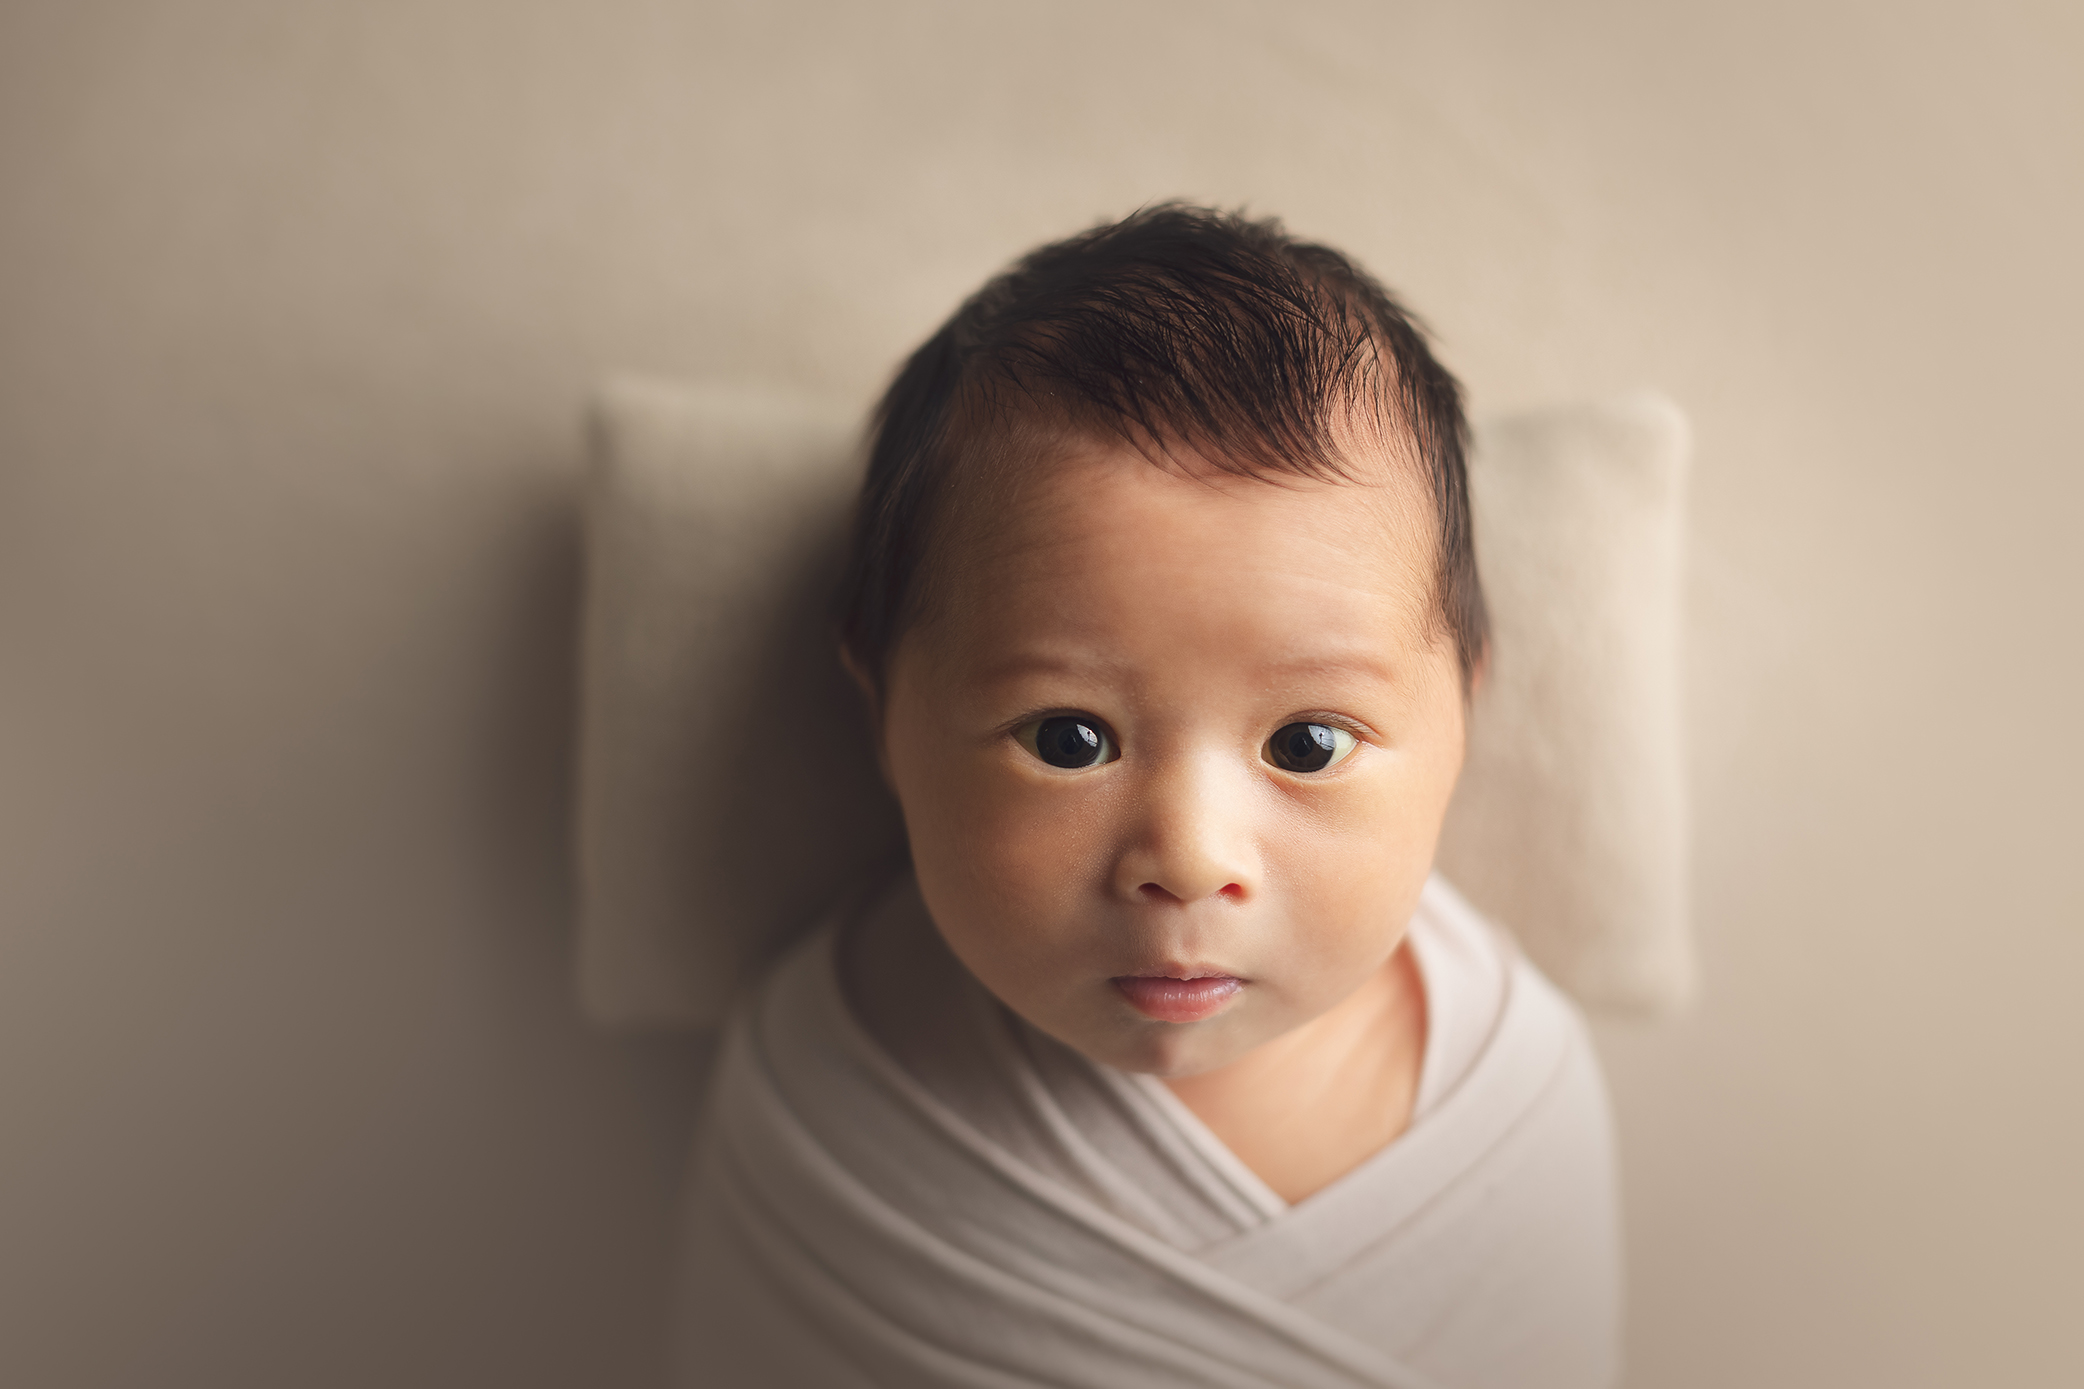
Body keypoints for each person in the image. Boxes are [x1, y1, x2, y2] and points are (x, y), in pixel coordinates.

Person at [677, 205, 1620, 1388]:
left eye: (1309, 741)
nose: (1186, 856)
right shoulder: (823, 1092)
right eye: (1069, 739)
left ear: (1460, 720)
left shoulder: (1513, 1099)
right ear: (882, 714)